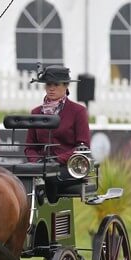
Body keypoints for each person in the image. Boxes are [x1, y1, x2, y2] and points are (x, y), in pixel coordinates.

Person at [25, 65, 91, 202]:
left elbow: (82, 146)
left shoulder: (78, 111)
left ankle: (49, 209)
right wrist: (37, 162)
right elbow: (29, 147)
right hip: (40, 166)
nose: (51, 88)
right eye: (48, 84)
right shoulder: (36, 112)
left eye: (56, 84)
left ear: (66, 86)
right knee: (20, 177)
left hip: (68, 167)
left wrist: (56, 160)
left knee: (50, 177)